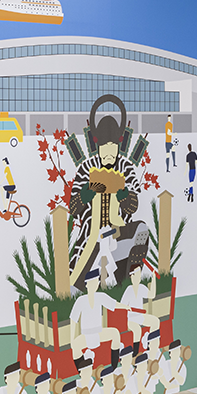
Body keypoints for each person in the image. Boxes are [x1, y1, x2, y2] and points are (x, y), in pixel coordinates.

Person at [68, 95, 143, 289]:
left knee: (138, 229)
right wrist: (86, 194)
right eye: (105, 148)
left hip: (119, 230)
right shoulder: (86, 168)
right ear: (97, 145)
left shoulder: (125, 167)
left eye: (113, 148)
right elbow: (73, 208)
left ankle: (125, 274)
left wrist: (124, 196)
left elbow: (133, 205)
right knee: (81, 279)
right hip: (92, 233)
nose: (109, 153)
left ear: (119, 145)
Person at [69, 269, 124, 362]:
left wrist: (126, 307)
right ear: (87, 284)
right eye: (92, 282)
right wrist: (72, 340)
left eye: (96, 282)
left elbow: (114, 304)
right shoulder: (81, 300)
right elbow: (73, 319)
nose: (95, 284)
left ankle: (114, 366)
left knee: (115, 333)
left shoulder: (100, 296)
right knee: (75, 347)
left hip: (99, 332)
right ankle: (82, 369)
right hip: (86, 334)